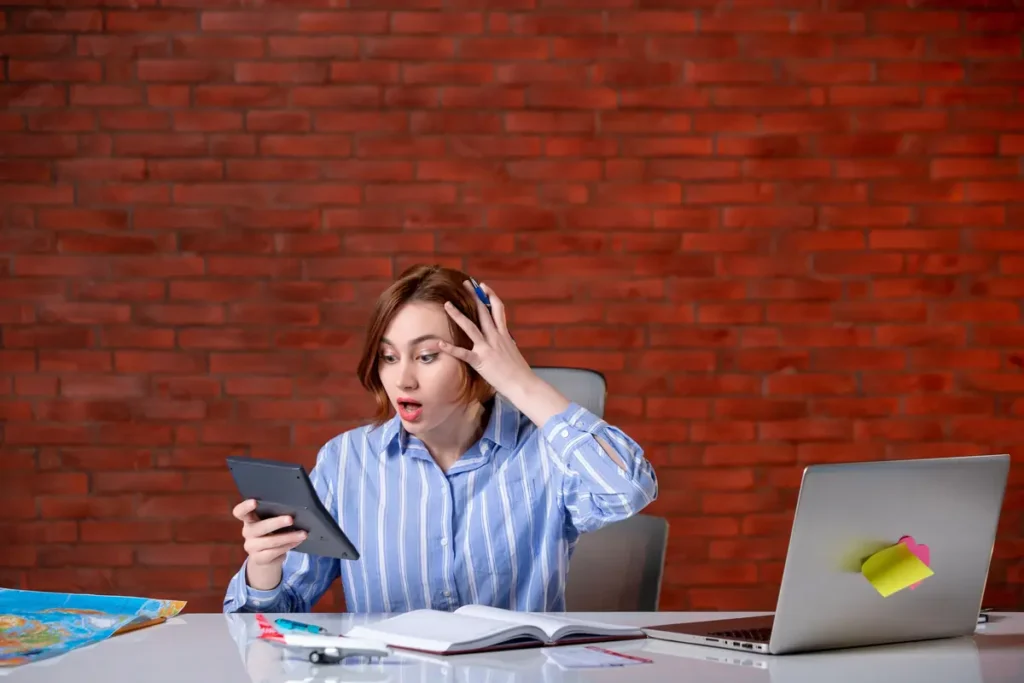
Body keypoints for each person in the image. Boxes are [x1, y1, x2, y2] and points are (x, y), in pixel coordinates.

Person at [223, 264, 658, 614]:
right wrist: (265, 566)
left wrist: (519, 382)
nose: (403, 379)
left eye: (427, 356)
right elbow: (267, 620)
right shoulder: (347, 460)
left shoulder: (544, 454)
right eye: (388, 357)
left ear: (480, 360)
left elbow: (629, 489)